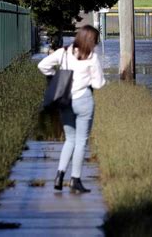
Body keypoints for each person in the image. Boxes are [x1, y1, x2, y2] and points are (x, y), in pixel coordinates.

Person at [38, 25, 105, 193]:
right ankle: (75, 180)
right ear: (91, 41)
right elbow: (98, 83)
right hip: (84, 101)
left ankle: (59, 176)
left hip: (65, 100)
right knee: (81, 141)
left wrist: (56, 77)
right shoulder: (92, 57)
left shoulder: (63, 52)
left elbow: (43, 66)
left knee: (70, 140)